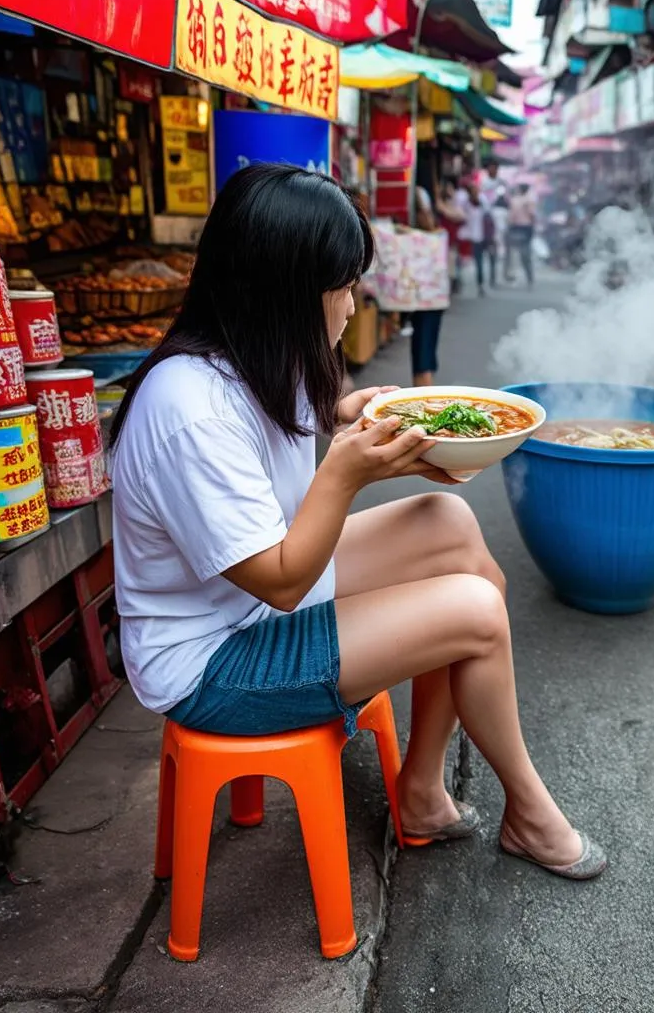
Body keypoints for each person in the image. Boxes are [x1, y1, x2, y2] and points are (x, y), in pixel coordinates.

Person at [109, 164, 605, 880]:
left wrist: (355, 418)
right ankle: (527, 811)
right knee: (475, 609)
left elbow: (298, 432)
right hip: (213, 660)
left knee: (448, 524)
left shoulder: (248, 358)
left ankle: (424, 792)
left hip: (248, 603)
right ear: (287, 293)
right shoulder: (189, 410)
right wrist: (345, 471)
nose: (354, 301)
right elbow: (279, 582)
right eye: (344, 285)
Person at [409, 183, 447, 387]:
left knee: (423, 351)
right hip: (430, 297)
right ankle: (423, 391)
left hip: (428, 298)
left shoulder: (427, 237)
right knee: (424, 350)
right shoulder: (432, 235)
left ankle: (424, 395)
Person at [457, 180, 488, 296]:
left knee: (475, 262)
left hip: (474, 236)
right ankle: (460, 282)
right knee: (462, 261)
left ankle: (478, 284)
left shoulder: (480, 202)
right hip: (468, 236)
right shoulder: (466, 202)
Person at [506, 184, 536, 287]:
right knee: (525, 253)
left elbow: (511, 216)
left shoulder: (515, 200)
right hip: (526, 228)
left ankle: (515, 275)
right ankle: (529, 276)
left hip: (516, 228)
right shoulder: (529, 200)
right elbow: (532, 214)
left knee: (515, 253)